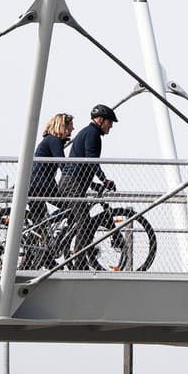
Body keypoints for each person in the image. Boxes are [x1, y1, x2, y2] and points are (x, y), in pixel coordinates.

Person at [60, 103, 118, 266]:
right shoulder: (92, 134)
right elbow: (91, 160)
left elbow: (84, 163)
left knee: (77, 219)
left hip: (74, 181)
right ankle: (78, 260)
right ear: (100, 120)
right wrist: (104, 179)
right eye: (110, 122)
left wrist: (94, 184)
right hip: (73, 183)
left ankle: (70, 252)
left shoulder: (89, 132)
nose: (111, 126)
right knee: (84, 220)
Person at [27, 113, 74, 222]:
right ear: (63, 126)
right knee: (71, 206)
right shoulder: (54, 141)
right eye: (71, 124)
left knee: (39, 220)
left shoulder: (50, 140)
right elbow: (63, 164)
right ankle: (57, 234)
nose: (73, 128)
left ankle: (41, 235)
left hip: (37, 183)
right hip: (41, 184)